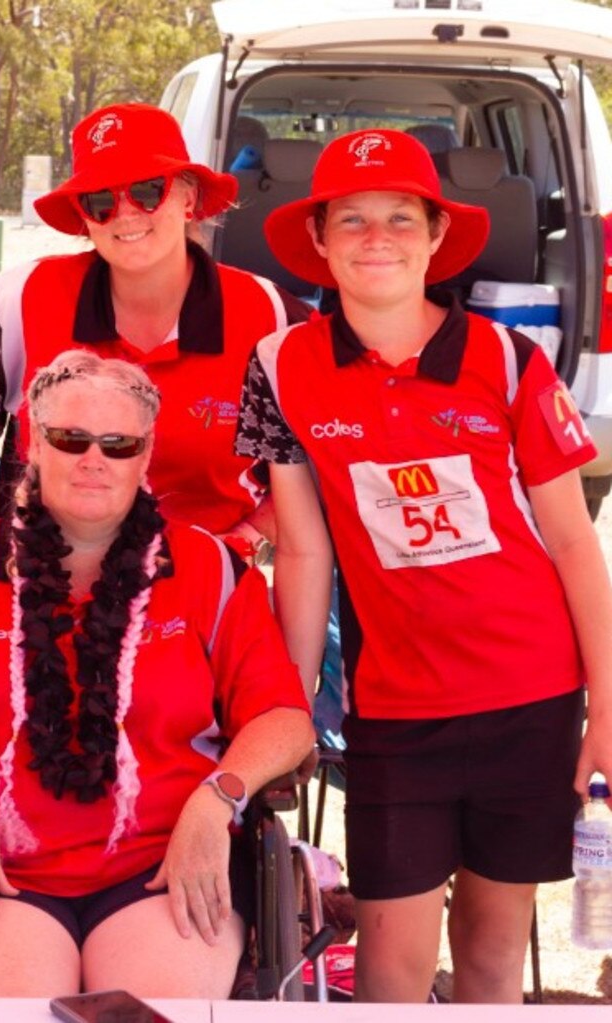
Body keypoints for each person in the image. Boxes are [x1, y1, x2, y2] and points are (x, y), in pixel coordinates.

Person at [235, 128, 612, 1003]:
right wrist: (289, 705)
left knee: (489, 955)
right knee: (390, 969)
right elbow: (302, 547)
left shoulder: (510, 360)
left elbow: (571, 543)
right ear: (319, 240)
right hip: (396, 712)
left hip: (530, 698)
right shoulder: (281, 365)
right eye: (353, 219)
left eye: (402, 218)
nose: (378, 238)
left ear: (437, 235)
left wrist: (605, 705)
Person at [0, 351, 314, 999]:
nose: (92, 459)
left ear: (145, 452)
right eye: (69, 438)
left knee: (148, 1015)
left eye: (118, 443)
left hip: (164, 867)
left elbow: (283, 718)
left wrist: (217, 802)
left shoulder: (208, 567)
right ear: (32, 442)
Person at [0, 102, 312, 562]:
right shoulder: (21, 297)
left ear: (188, 199)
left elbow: (325, 457)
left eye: (148, 190)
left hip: (208, 587)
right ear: (85, 218)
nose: (126, 213)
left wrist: (248, 540)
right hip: (45, 584)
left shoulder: (270, 316)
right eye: (102, 200)